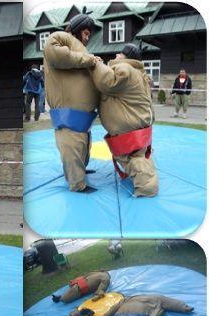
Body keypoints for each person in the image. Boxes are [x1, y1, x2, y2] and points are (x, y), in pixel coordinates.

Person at [90, 43, 159, 197]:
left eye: (119, 54)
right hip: (139, 123)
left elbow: (108, 82)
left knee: (133, 157)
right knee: (135, 154)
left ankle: (147, 188)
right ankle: (145, 181)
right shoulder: (139, 73)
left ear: (126, 57)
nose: (116, 56)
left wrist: (96, 64)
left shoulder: (125, 69)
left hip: (131, 126)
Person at [43, 9, 100, 193]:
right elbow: (54, 53)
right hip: (68, 114)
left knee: (82, 146)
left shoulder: (81, 48)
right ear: (76, 29)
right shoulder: (60, 37)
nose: (87, 37)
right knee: (72, 146)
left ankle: (80, 172)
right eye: (85, 33)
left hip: (84, 117)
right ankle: (77, 184)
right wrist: (88, 59)